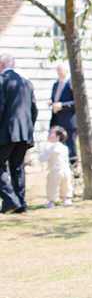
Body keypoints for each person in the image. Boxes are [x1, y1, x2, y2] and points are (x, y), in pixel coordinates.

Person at [0, 53, 38, 214]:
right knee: (17, 168)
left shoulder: (1, 81)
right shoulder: (26, 83)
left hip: (6, 132)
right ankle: (21, 205)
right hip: (25, 133)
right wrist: (28, 128)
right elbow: (34, 110)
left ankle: (11, 200)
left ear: (2, 64)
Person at [48, 63, 77, 165]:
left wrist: (62, 106)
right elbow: (55, 98)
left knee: (70, 144)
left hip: (68, 120)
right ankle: (61, 164)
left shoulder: (71, 84)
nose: (59, 72)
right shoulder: (56, 85)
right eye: (58, 70)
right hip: (57, 118)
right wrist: (51, 102)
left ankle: (74, 165)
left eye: (61, 70)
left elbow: (75, 102)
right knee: (59, 143)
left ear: (66, 71)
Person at [38, 126, 72, 208]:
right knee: (65, 185)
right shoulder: (64, 147)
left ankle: (52, 202)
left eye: (51, 134)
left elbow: (43, 158)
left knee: (52, 186)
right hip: (65, 169)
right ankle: (65, 199)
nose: (49, 135)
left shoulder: (50, 147)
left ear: (58, 137)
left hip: (55, 170)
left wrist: (40, 155)